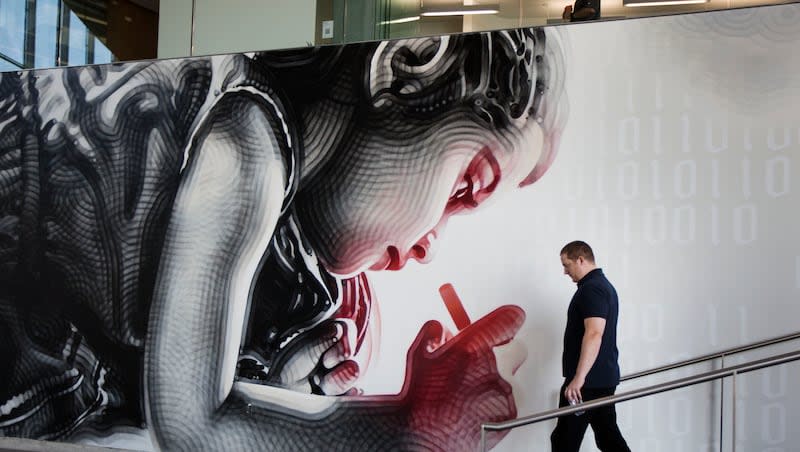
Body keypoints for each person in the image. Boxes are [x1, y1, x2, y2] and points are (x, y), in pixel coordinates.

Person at [0, 28, 567, 451]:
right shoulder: (249, 142)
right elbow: (191, 428)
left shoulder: (292, 245)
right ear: (402, 69)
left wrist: (275, 391)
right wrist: (413, 429)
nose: (430, 246)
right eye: (466, 186)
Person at [551, 241, 630, 452]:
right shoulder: (602, 286)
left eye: (567, 265)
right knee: (608, 437)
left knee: (563, 441)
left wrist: (578, 378)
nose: (565, 272)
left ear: (581, 260)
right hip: (600, 379)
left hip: (587, 383)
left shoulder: (592, 289)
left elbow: (595, 333)